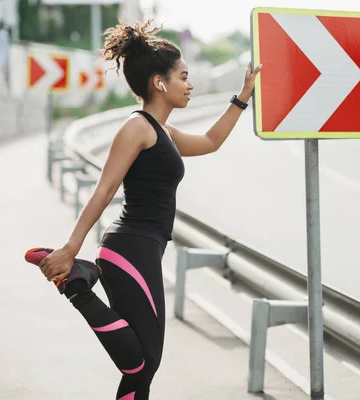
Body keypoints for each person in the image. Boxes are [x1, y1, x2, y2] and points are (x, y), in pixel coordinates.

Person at [23, 19, 261, 400]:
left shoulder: (163, 131)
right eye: (184, 76)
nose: (191, 84)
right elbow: (104, 192)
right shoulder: (137, 127)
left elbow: (212, 141)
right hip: (129, 248)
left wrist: (243, 95)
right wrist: (70, 249)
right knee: (143, 362)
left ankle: (81, 281)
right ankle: (77, 287)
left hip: (143, 248)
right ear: (159, 82)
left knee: (142, 372)